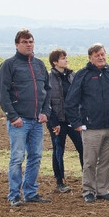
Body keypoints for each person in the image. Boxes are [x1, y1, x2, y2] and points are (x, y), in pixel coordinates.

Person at [65, 44, 109, 203]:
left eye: (102, 54)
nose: (100, 57)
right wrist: (76, 123)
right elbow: (71, 100)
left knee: (106, 161)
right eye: (96, 55)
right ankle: (88, 191)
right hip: (91, 127)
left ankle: (102, 190)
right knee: (90, 161)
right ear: (90, 58)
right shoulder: (83, 75)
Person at [0, 29, 51, 206]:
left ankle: (30, 192)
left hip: (37, 121)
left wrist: (45, 112)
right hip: (19, 122)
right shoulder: (9, 65)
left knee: (35, 156)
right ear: (17, 44)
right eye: (24, 42)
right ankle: (14, 195)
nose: (28, 44)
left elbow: (47, 90)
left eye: (31, 41)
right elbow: (2, 93)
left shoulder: (39, 65)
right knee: (17, 158)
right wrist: (13, 117)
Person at [45, 48, 84, 193]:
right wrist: (53, 122)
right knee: (58, 150)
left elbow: (78, 97)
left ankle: (87, 178)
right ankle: (60, 182)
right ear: (55, 62)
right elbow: (47, 101)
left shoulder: (72, 76)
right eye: (62, 58)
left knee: (82, 148)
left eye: (66, 57)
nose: (66, 60)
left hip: (73, 121)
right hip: (57, 121)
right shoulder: (48, 78)